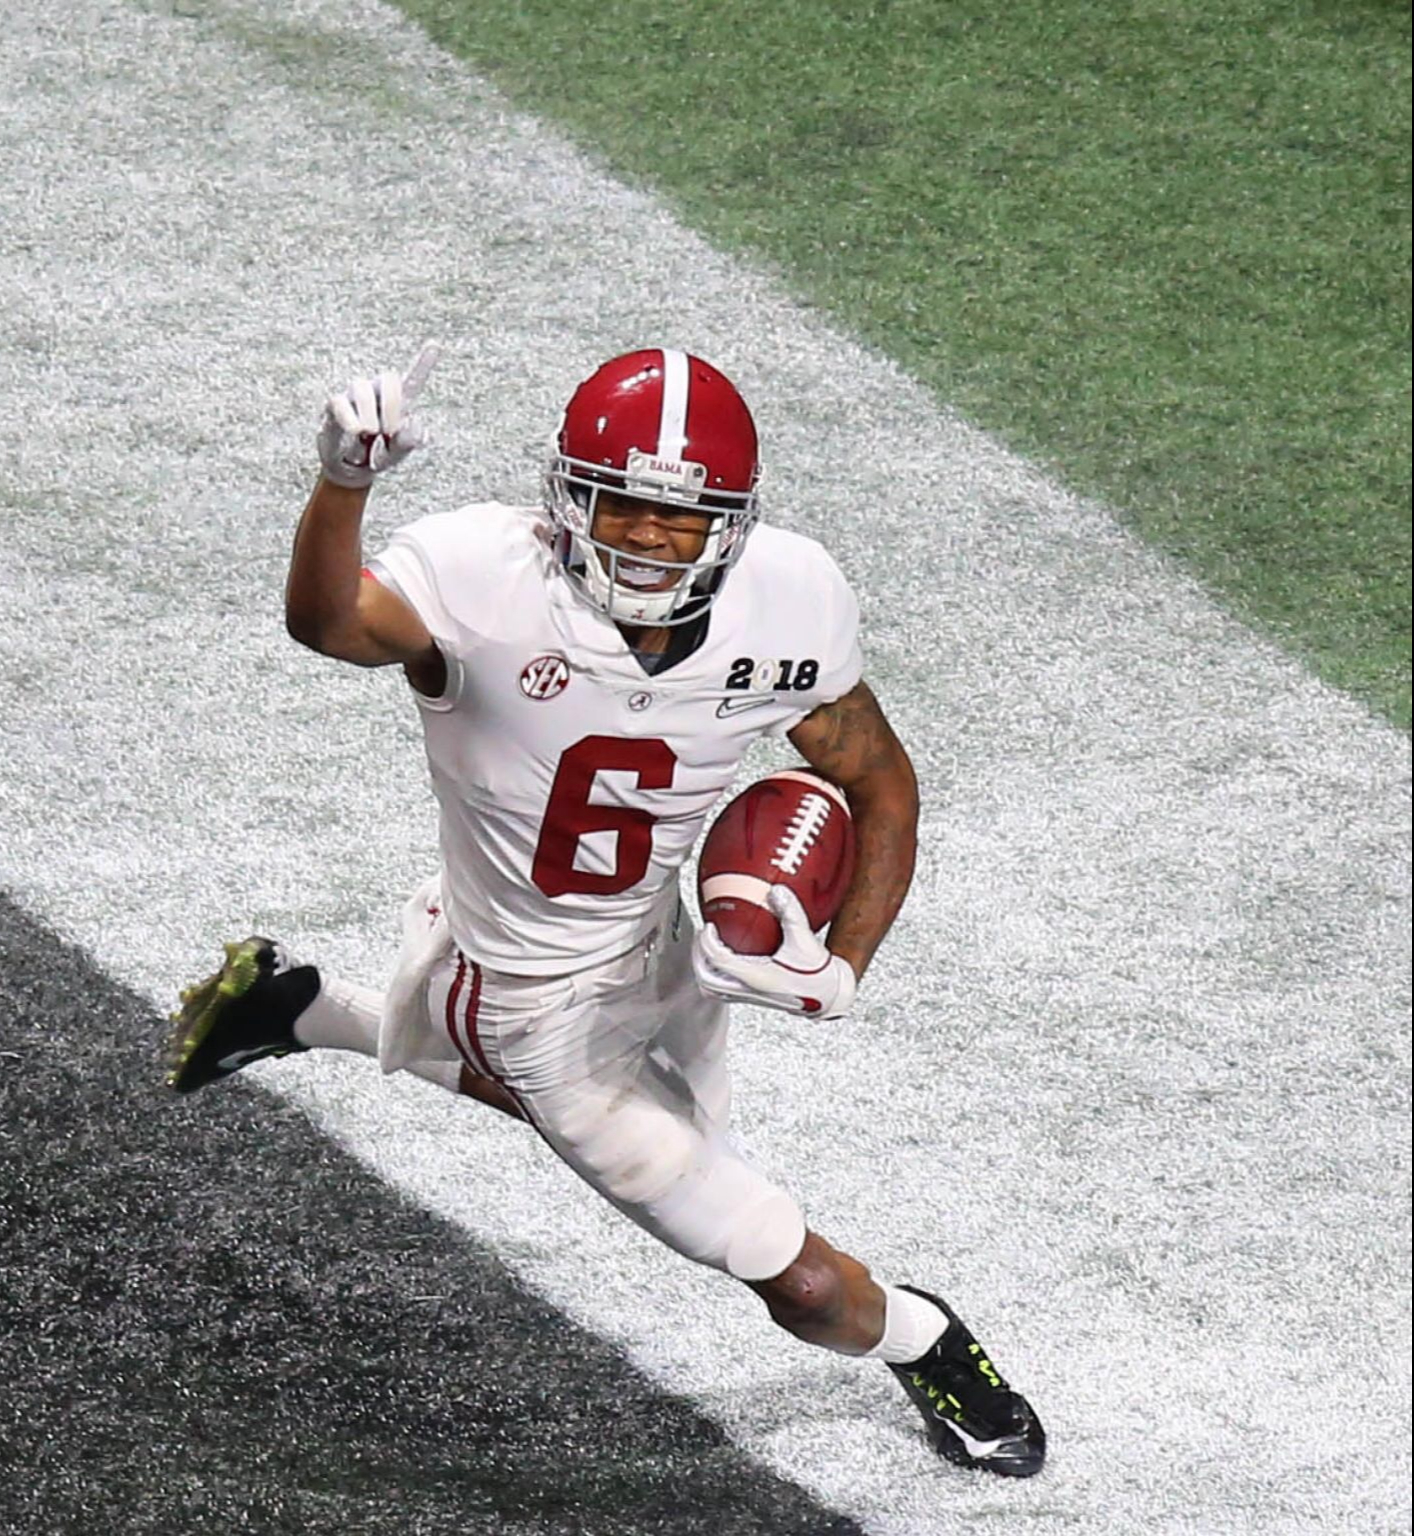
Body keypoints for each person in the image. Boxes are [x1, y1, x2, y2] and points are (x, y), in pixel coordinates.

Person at [163, 345, 1047, 1478]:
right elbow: (328, 625)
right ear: (564, 496)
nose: (644, 537)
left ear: (732, 525)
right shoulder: (483, 578)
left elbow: (874, 777)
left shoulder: (790, 597)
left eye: (681, 519)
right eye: (618, 502)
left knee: (637, 1131)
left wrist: (845, 964)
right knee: (802, 1279)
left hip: (660, 933)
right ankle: (930, 1339)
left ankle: (295, 1007)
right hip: (527, 989)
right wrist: (343, 484)